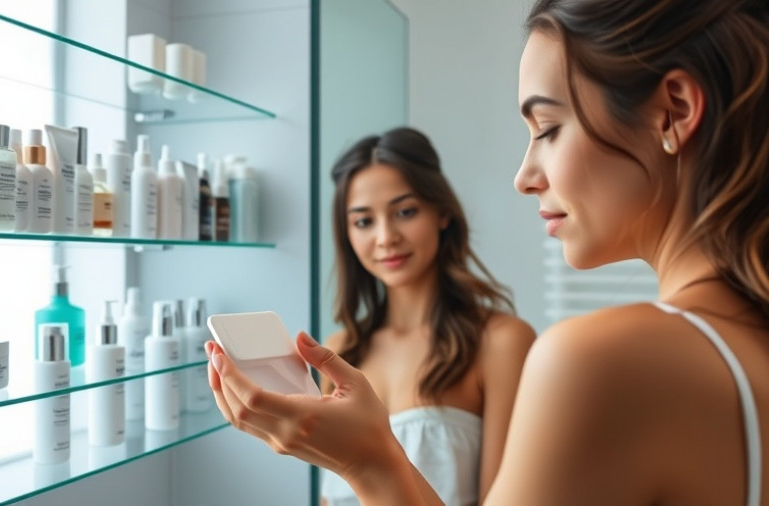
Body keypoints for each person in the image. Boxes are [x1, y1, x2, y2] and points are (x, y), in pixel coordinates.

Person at [206, 0, 769, 504]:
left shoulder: (595, 361)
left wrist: (367, 459)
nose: (523, 176)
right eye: (362, 220)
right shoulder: (746, 339)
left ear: (672, 111)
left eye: (547, 127)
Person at [319, 127, 536, 506]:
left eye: (405, 212)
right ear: (347, 235)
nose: (386, 237)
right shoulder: (338, 352)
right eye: (364, 221)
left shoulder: (500, 341)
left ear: (442, 214)